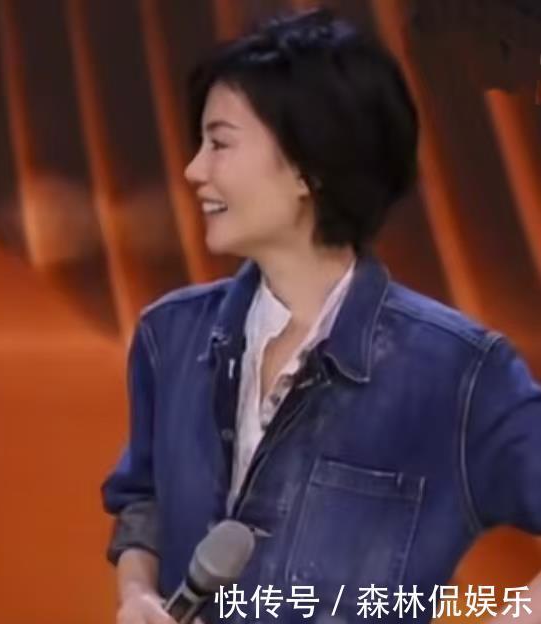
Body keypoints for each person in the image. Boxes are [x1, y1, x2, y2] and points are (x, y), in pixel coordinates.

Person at [102, 9, 541, 624]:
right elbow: (144, 499)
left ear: (309, 168)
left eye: (219, 143)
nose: (193, 170)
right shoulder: (168, 336)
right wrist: (137, 594)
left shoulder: (460, 372)